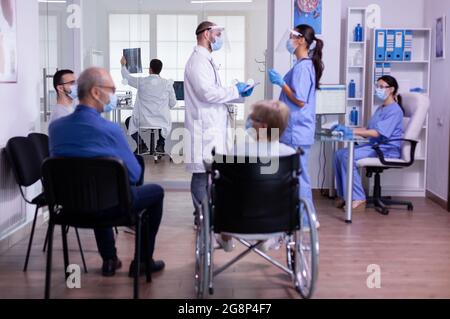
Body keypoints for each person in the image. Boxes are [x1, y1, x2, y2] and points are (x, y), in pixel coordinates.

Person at [49, 67, 165, 277]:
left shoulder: (56, 128)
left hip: (68, 209)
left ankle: (109, 259)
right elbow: (135, 174)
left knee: (93, 189)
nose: (112, 95)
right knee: (154, 192)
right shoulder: (109, 130)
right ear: (95, 92)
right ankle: (142, 261)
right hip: (111, 209)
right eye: (110, 89)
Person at [184, 21, 254, 221]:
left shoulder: (206, 61)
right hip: (203, 129)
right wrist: (235, 90)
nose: (220, 38)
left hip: (211, 127)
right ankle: (202, 217)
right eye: (218, 33)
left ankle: (206, 214)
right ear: (206, 34)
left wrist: (240, 94)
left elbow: (215, 93)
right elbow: (208, 93)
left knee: (208, 174)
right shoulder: (197, 61)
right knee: (200, 175)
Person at [217, 100, 296, 252]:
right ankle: (265, 238)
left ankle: (226, 238)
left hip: (235, 220)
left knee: (224, 195)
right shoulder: (289, 154)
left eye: (254, 118)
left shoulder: (237, 151)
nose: (250, 122)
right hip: (277, 221)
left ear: (263, 126)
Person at [268, 24, 324, 228]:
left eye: (292, 37)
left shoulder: (303, 67)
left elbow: (300, 100)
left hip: (296, 131)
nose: (288, 40)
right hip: (296, 130)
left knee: (299, 176)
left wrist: (281, 83)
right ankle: (300, 217)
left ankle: (308, 220)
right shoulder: (303, 65)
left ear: (301, 40)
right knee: (296, 175)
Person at [332, 75, 405, 212]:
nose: (378, 89)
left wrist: (354, 133)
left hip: (386, 149)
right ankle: (344, 195)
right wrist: (348, 129)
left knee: (347, 157)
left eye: (381, 87)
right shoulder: (381, 108)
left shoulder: (395, 111)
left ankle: (359, 198)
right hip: (375, 145)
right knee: (339, 154)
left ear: (392, 89)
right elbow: (368, 129)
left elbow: (378, 133)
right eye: (377, 86)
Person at [122, 58, 177, 154]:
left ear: (150, 69)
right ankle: (160, 144)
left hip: (143, 120)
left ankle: (141, 145)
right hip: (161, 119)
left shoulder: (141, 82)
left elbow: (127, 77)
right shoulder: (167, 83)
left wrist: (123, 65)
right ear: (160, 69)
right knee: (164, 120)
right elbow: (173, 103)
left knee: (128, 121)